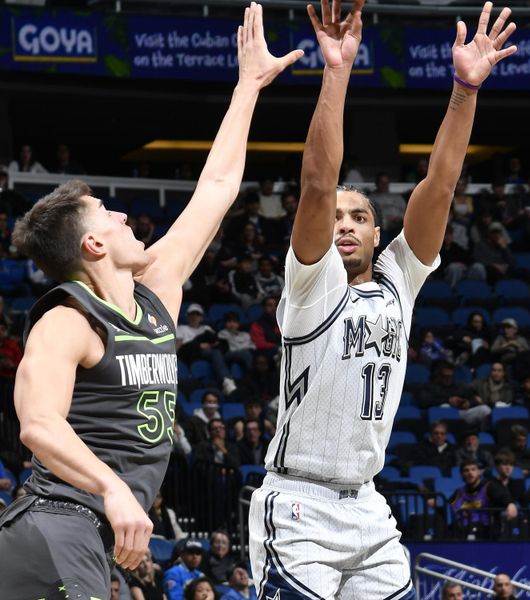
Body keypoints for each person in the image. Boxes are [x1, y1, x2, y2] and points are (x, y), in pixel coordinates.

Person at [0, 7, 301, 598]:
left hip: (86, 534)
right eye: (107, 215)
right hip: (53, 524)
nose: (121, 215)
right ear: (92, 245)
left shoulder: (156, 291)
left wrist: (248, 87)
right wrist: (113, 489)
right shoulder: (67, 321)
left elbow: (215, 189)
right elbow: (37, 425)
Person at [247, 2, 517, 598]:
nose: (343, 223)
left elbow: (440, 184)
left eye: (359, 216)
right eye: (337, 217)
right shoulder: (310, 284)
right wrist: (337, 72)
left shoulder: (400, 276)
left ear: (378, 234)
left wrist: (465, 89)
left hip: (368, 507)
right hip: (299, 505)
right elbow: (318, 182)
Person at [449, 459, 518, 537]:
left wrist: (510, 504)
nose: (470, 473)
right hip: (463, 529)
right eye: (466, 470)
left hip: (486, 530)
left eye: (473, 469)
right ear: (462, 474)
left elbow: (502, 497)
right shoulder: (459, 492)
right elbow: (448, 506)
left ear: (479, 472)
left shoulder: (489, 487)